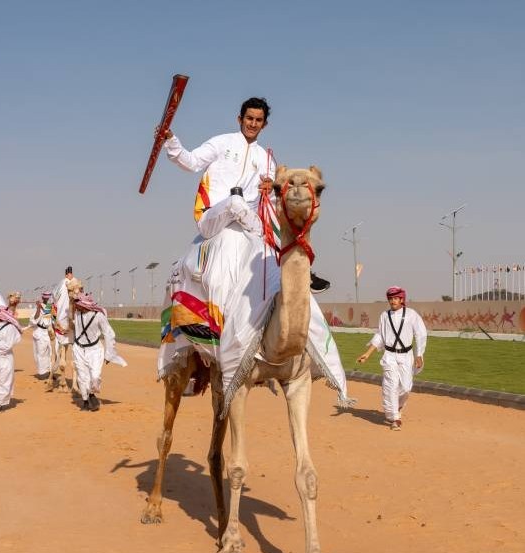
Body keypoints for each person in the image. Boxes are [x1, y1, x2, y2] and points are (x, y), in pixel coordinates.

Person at [157, 97, 349, 407]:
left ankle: (306, 355)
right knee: (234, 203)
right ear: (240, 118)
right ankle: (208, 347)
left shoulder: (267, 159)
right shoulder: (222, 143)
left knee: (279, 271)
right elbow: (190, 161)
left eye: (259, 120)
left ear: (264, 124)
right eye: (249, 118)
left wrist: (268, 192)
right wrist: (170, 140)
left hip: (250, 226)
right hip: (214, 217)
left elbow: (271, 204)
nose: (253, 123)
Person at [356, 286, 427, 430]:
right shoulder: (384, 316)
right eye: (390, 299)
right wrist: (367, 354)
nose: (393, 301)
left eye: (395, 298)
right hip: (389, 356)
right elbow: (380, 336)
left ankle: (398, 406)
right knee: (391, 385)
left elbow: (421, 334)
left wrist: (419, 354)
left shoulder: (412, 315)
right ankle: (395, 417)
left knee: (406, 387)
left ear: (402, 299)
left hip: (406, 356)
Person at [70, 292, 126, 411]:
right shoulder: (77, 313)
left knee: (95, 375)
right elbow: (70, 311)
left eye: (78, 304)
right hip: (79, 349)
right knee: (82, 376)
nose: (76, 306)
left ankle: (91, 394)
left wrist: (109, 353)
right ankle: (86, 401)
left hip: (95, 350)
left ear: (83, 305)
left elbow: (108, 333)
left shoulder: (98, 316)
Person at [31, 290, 55, 379]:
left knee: (49, 353)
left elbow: (51, 320)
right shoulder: (38, 307)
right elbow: (34, 319)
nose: (47, 298)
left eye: (48, 296)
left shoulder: (49, 307)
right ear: (43, 297)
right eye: (45, 296)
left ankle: (49, 371)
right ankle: (41, 373)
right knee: (41, 353)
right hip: (39, 331)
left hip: (47, 332)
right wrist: (38, 308)